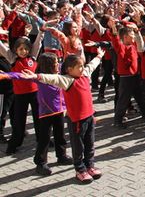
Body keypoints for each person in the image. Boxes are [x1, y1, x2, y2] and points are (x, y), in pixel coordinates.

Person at [15, 49, 105, 183]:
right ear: (69, 70)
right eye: (78, 66)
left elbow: (92, 65)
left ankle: (90, 165)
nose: (82, 68)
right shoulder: (66, 80)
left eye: (82, 65)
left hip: (89, 118)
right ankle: (80, 170)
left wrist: (99, 55)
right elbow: (52, 78)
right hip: (77, 120)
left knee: (90, 144)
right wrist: (35, 77)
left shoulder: (85, 74)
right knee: (78, 146)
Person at [0, 53, 72, 176]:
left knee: (60, 136)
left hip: (59, 111)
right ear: (48, 66)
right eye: (55, 63)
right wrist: (6, 75)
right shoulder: (40, 78)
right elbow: (20, 76)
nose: (58, 65)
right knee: (44, 139)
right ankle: (41, 163)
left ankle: (62, 155)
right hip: (46, 113)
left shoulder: (59, 74)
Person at [0, 25, 43, 155]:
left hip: (35, 93)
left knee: (39, 118)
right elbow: (2, 48)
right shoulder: (13, 59)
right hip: (20, 95)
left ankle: (42, 140)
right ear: (16, 50)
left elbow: (37, 43)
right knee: (19, 121)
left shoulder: (33, 57)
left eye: (25, 49)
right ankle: (14, 145)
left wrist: (41, 31)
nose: (23, 51)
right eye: (20, 49)